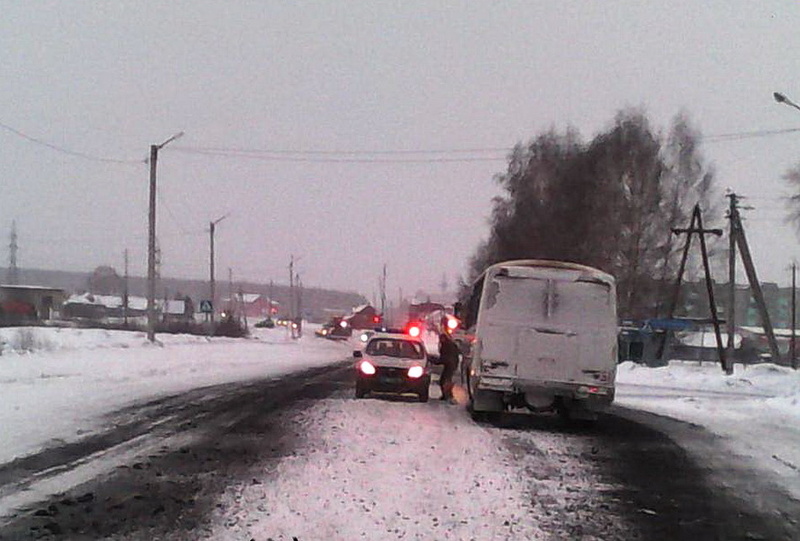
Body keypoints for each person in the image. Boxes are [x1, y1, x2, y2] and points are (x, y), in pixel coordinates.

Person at [438, 331, 460, 402]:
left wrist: (434, 360)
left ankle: (448, 395)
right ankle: (447, 395)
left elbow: (444, 358)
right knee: (446, 380)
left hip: (450, 365)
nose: (441, 340)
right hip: (451, 364)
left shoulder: (447, 346)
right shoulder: (449, 344)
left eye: (442, 339)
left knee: (445, 380)